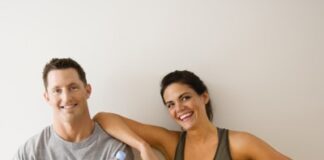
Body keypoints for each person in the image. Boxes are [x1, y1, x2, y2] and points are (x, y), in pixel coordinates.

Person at [94, 70, 291, 160]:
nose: (179, 108)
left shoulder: (239, 143)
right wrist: (143, 147)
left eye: (185, 98)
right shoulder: (170, 143)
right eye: (170, 104)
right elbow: (103, 118)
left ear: (204, 96)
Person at [13, 58, 134, 160]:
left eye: (73, 88)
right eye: (57, 91)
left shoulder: (115, 151)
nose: (66, 98)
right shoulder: (30, 153)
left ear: (88, 91)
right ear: (47, 98)